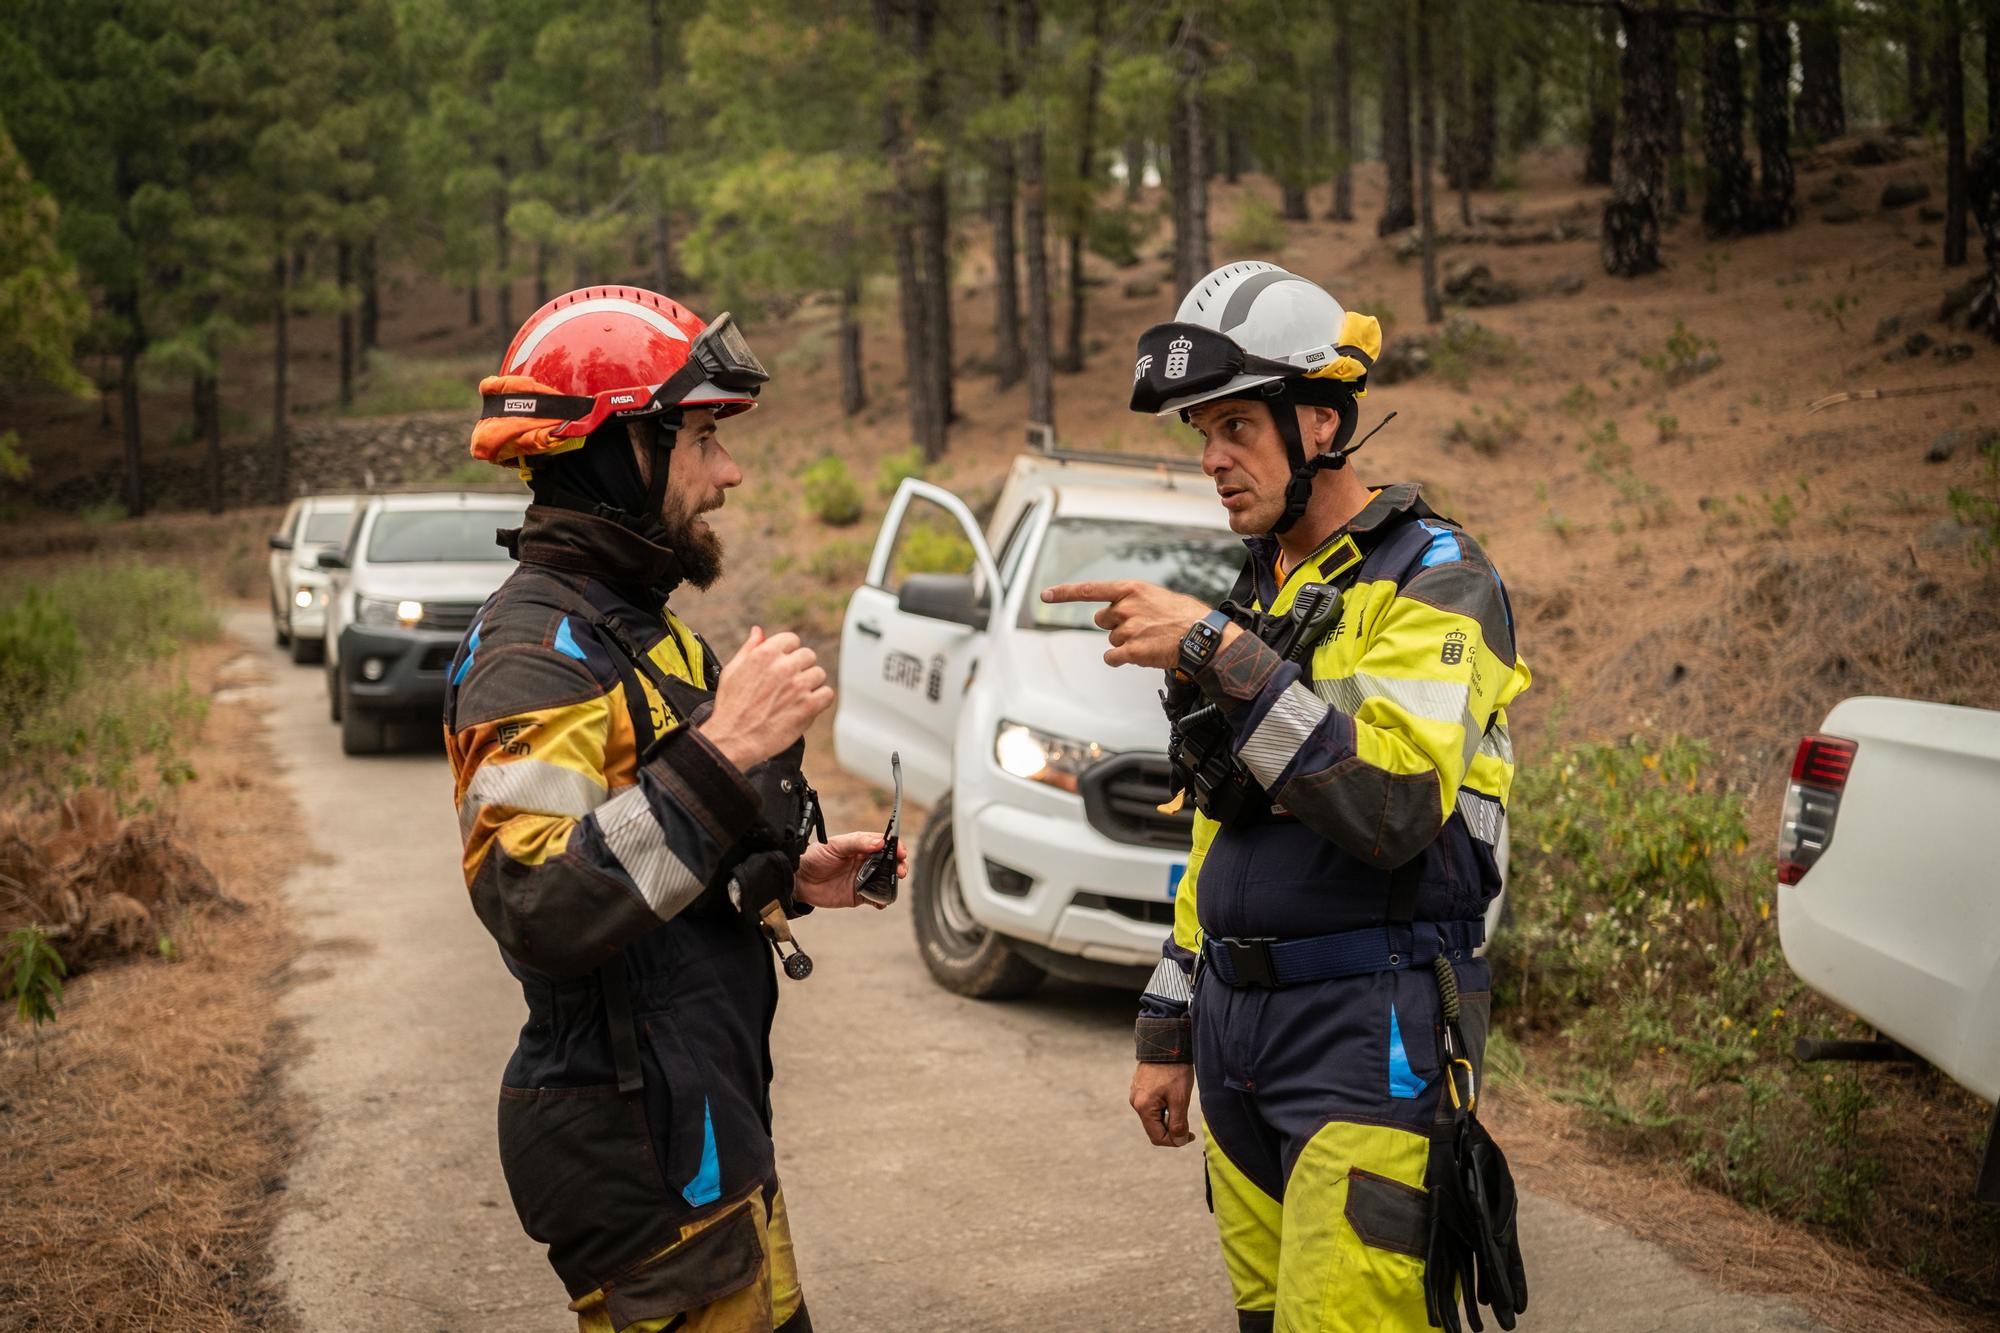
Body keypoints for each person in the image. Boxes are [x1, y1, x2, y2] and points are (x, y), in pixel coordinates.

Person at [1044, 262, 1532, 1332]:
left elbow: (1395, 808)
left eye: (1233, 427)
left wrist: (1222, 654)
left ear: (1318, 419)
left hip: (1374, 1021)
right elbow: (1220, 826)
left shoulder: (1435, 577)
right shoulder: (1263, 588)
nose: (1210, 459)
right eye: (1199, 433)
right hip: (1236, 1032)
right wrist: (1169, 1016)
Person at [444, 285, 903, 1333]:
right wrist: (721, 751)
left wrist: (788, 874)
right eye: (701, 437)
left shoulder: (639, 634)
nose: (730, 472)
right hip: (634, 1143)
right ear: (617, 453)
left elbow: (659, 849)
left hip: (706, 1115)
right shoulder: (531, 657)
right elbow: (542, 905)